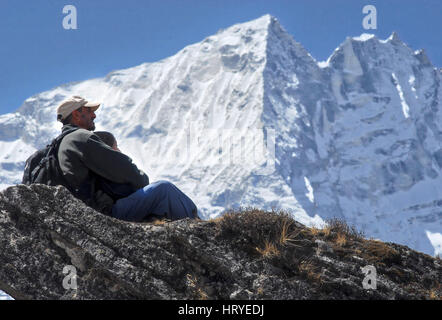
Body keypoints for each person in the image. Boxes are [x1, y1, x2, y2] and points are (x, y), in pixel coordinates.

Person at [54, 95, 198, 222]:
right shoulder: (80, 138)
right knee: (163, 189)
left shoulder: (60, 145)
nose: (94, 115)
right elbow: (130, 173)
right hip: (101, 215)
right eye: (89, 111)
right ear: (76, 115)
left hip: (79, 215)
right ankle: (201, 235)